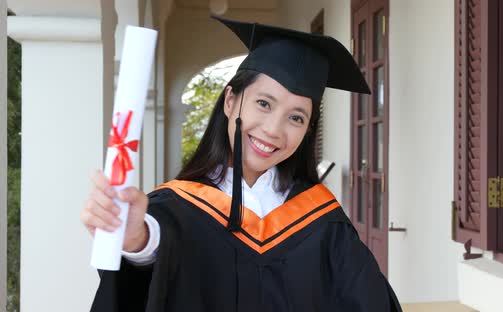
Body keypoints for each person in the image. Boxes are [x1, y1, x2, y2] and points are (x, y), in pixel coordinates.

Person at [81, 16, 403, 312]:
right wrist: (139, 241)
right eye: (264, 103)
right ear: (231, 99)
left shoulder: (322, 220)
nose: (274, 130)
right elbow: (153, 264)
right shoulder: (176, 208)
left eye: (296, 117)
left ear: (307, 130)